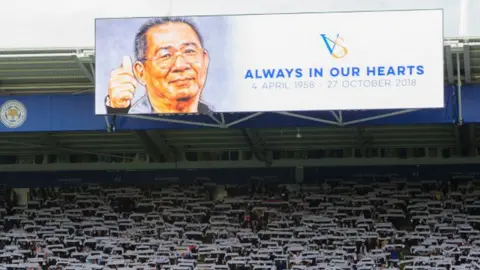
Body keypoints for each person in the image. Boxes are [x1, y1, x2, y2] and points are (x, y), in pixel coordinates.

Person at [105, 17, 212, 114]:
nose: (180, 65)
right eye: (166, 55)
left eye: (189, 51)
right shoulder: (133, 121)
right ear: (141, 72)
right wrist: (117, 110)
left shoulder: (214, 117)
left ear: (205, 60)